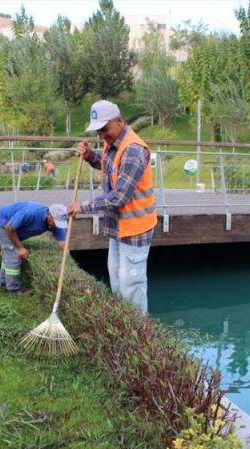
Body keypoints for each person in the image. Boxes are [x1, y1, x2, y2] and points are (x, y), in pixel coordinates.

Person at [68, 100, 156, 314]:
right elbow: (110, 167)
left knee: (131, 286)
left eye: (104, 130)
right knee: (117, 280)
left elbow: (119, 196)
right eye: (98, 131)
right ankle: (123, 329)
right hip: (118, 227)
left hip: (135, 228)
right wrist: (90, 157)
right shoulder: (115, 142)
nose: (101, 136)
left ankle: (139, 339)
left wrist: (83, 207)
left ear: (119, 121)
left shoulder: (133, 150)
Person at [0, 202, 68, 293]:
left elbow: (63, 245)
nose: (56, 225)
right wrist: (20, 248)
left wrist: (66, 262)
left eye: (59, 223)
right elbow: (9, 228)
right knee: (14, 255)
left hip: (14, 228)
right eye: (55, 222)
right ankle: (14, 289)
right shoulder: (31, 213)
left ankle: (3, 283)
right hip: (3, 223)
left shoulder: (56, 224)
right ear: (48, 214)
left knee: (9, 255)